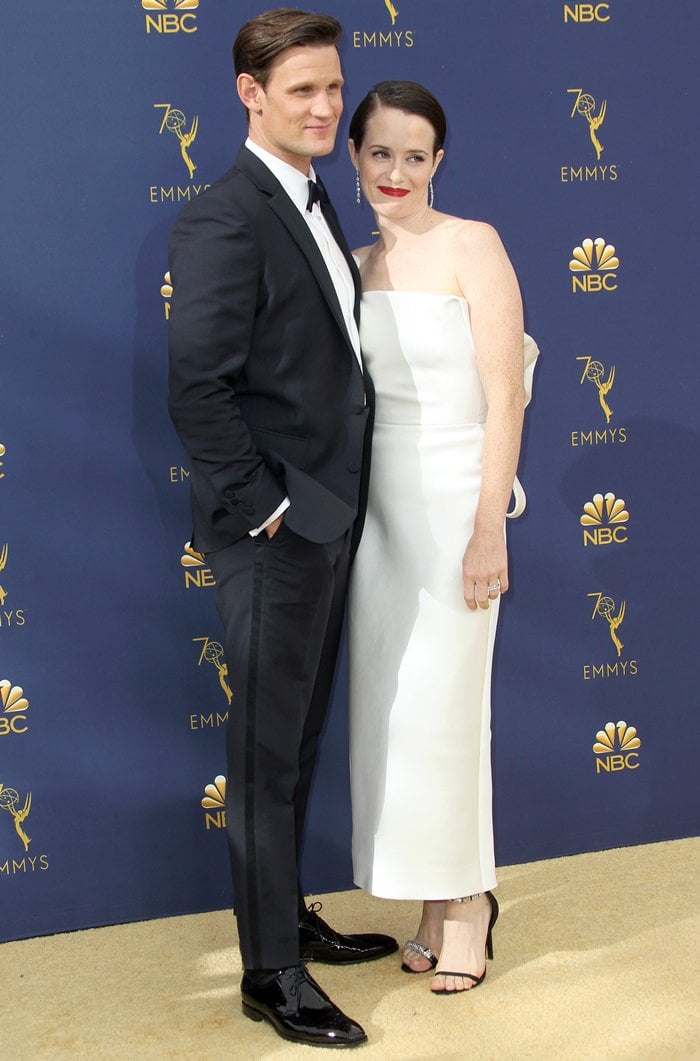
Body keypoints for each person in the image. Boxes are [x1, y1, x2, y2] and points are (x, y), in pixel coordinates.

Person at [167, 10, 397, 1048]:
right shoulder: (225, 216)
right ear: (248, 93)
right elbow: (197, 389)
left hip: (329, 518)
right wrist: (270, 509)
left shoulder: (305, 199)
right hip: (275, 531)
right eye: (300, 88)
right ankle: (270, 971)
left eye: (332, 88)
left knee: (295, 737)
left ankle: (285, 914)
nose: (322, 106)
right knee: (264, 750)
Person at [347, 81, 538, 996]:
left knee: (449, 711)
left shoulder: (474, 245)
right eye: (380, 152)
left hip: (460, 497)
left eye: (414, 155)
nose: (396, 172)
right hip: (378, 514)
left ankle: (469, 904)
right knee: (399, 718)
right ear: (354, 157)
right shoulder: (353, 265)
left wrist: (486, 526)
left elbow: (506, 394)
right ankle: (430, 898)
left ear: (438, 163)